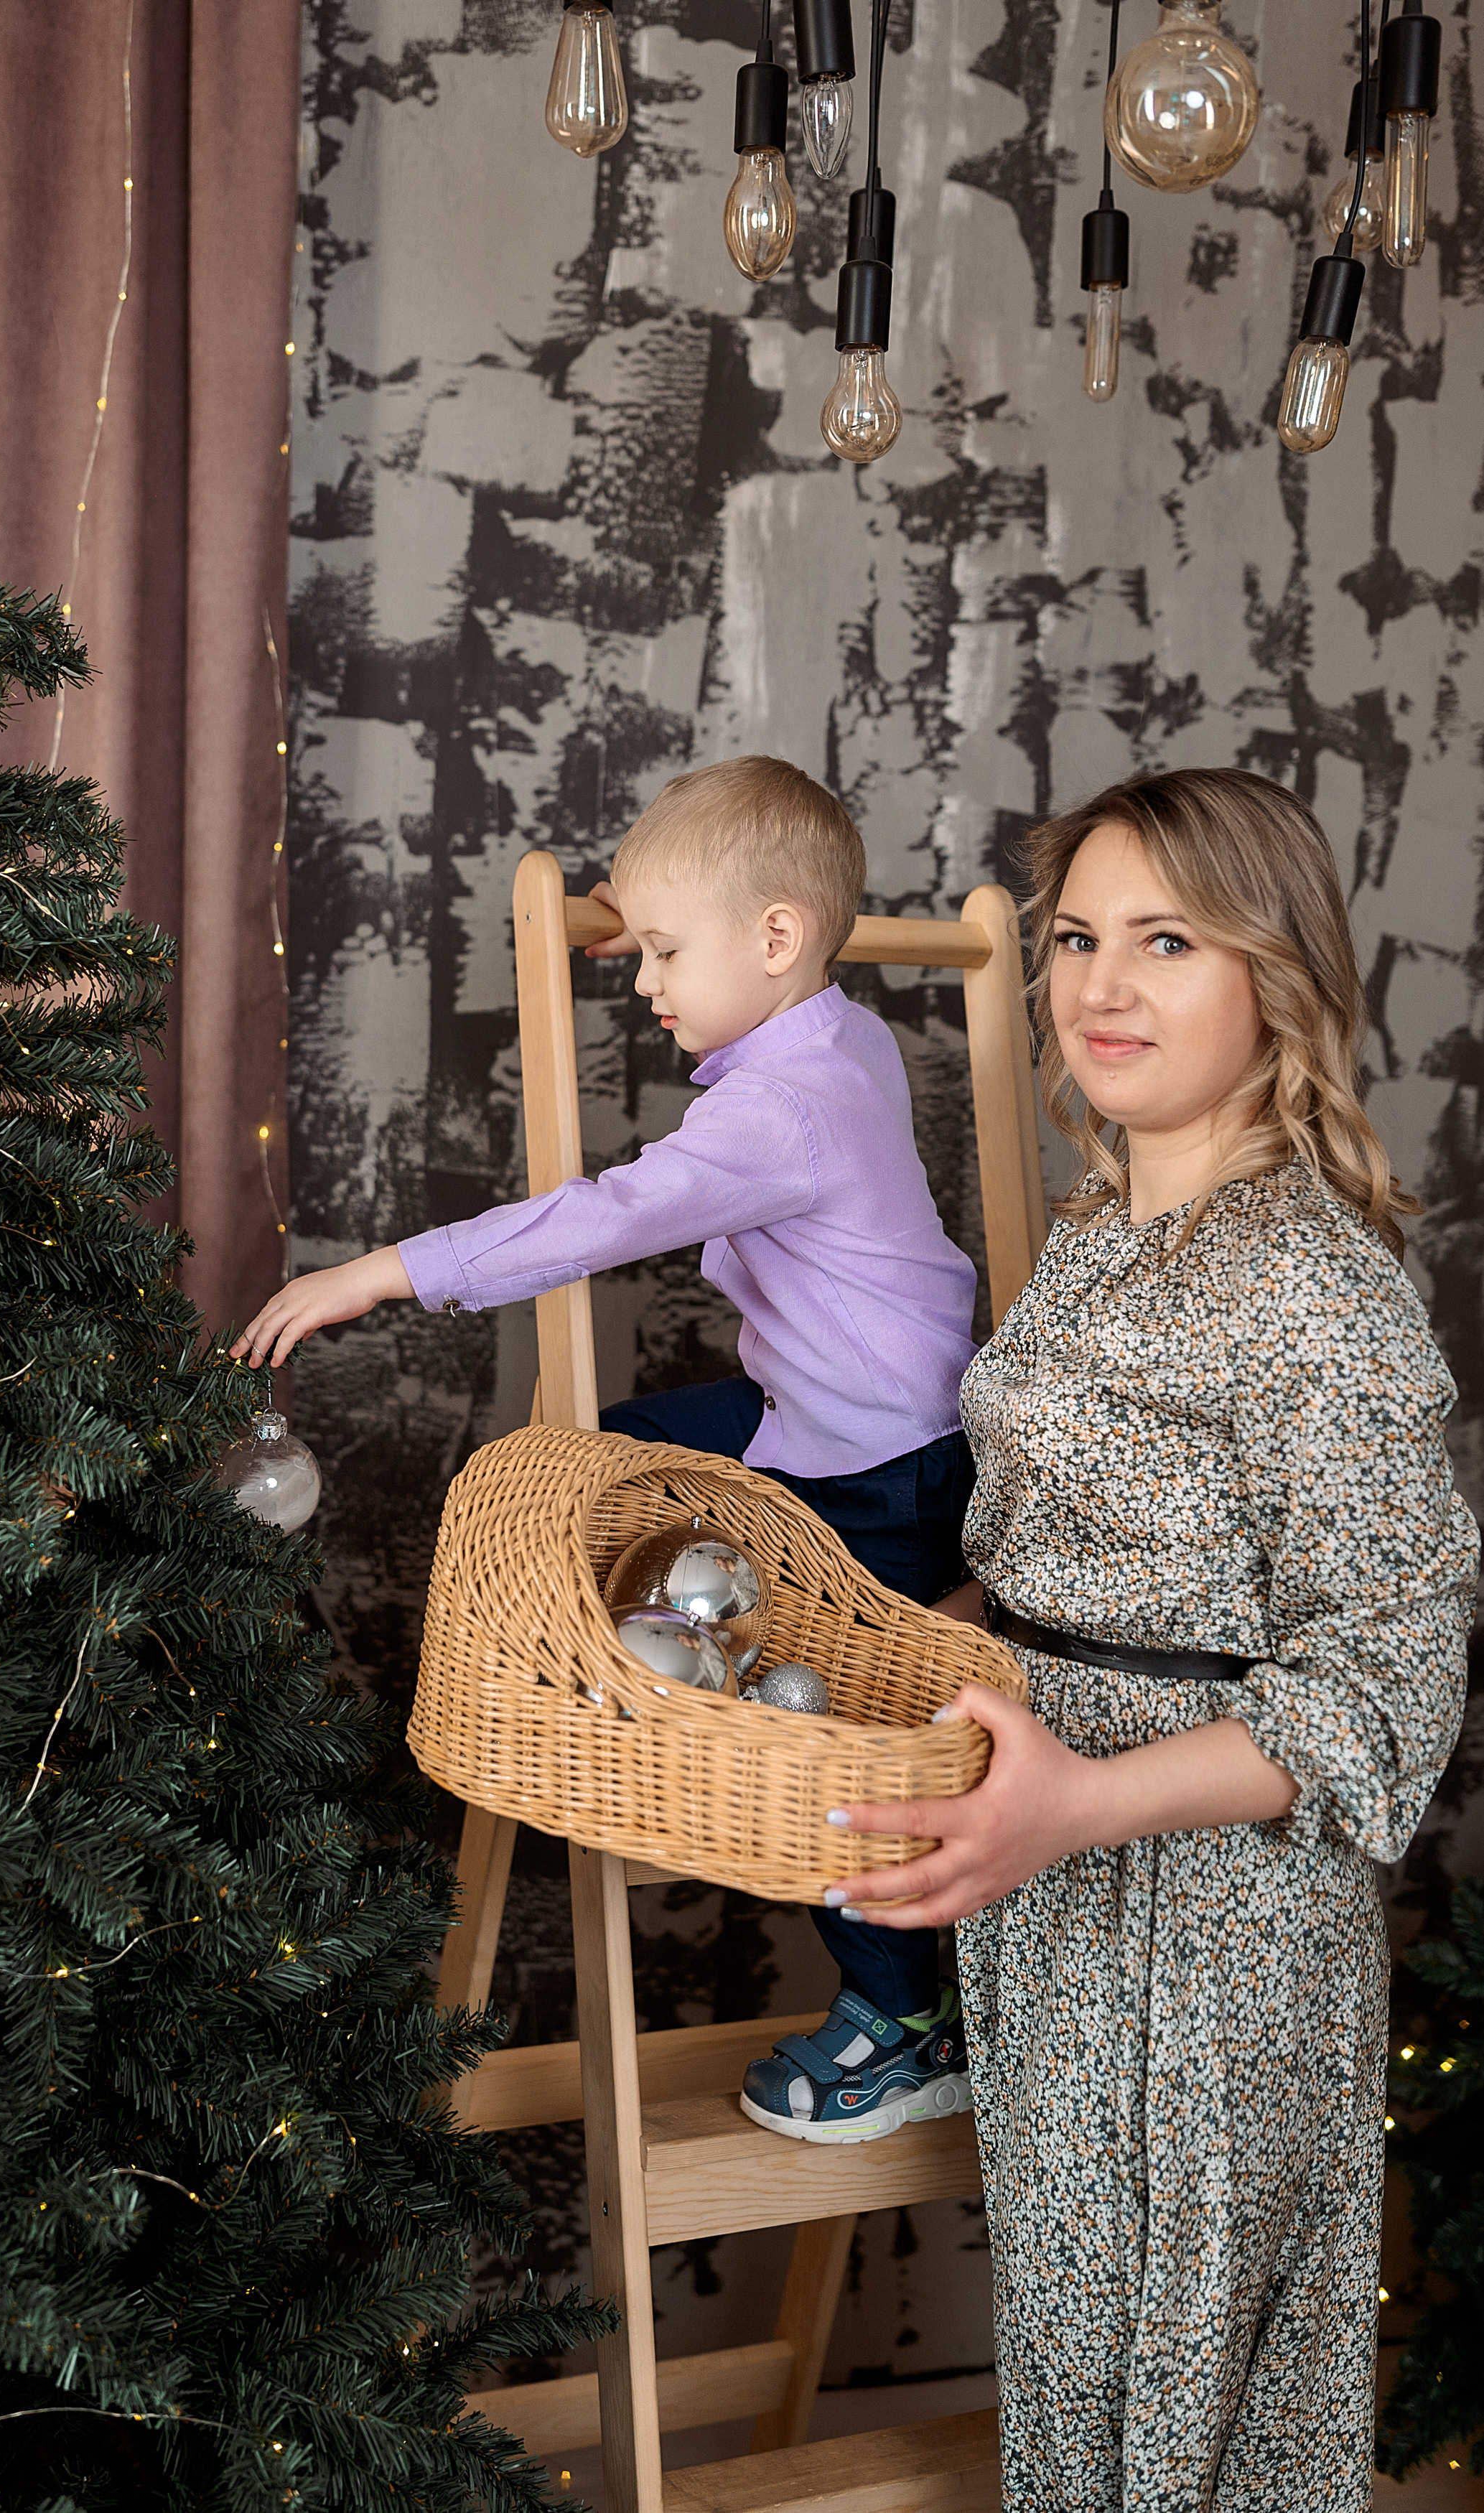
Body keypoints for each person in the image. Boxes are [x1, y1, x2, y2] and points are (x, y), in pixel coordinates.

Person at [822, 768, 1477, 2509]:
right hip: (1053, 1902)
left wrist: (1079, 1805)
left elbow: (1386, 1682)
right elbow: (1074, 1564)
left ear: (1277, 972)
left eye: (1166, 941)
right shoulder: (1108, 1229)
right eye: (1076, 939)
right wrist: (902, 1644)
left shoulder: (1316, 1293)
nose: (1099, 985)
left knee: (1176, 2418)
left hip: (1210, 1943)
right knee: (1083, 2397)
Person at [235, 754, 984, 2140]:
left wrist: (378, 1273)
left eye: (662, 953)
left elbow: (598, 1218)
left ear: (775, 938)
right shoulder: (843, 1036)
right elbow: (742, 948)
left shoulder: (775, 1112)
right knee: (601, 1462)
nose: (641, 982)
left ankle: (903, 2024)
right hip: (846, 1411)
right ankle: (639, 1650)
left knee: (832, 1738)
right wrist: (658, 919)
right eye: (631, 948)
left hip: (872, 1463)